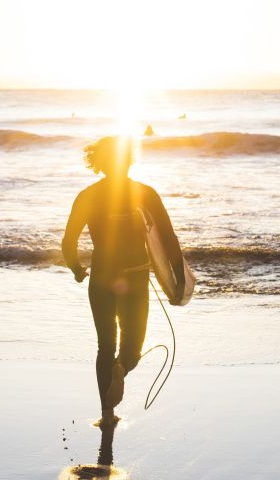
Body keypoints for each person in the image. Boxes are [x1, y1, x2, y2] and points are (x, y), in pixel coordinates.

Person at [62, 136, 185, 428]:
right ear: (129, 159)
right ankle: (122, 367)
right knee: (132, 346)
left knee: (105, 345)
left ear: (100, 161)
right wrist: (178, 280)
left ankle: (106, 414)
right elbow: (168, 238)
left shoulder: (88, 195)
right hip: (135, 275)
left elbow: (68, 241)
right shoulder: (146, 193)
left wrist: (77, 269)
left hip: (102, 276)